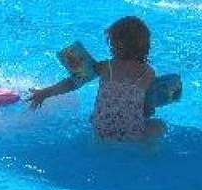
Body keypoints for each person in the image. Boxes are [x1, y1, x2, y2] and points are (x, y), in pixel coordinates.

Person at [27, 16, 165, 142]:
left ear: (115, 45)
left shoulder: (105, 67)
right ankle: (148, 149)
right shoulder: (148, 73)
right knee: (159, 125)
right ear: (145, 46)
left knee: (96, 117)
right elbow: (146, 107)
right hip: (130, 134)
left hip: (100, 130)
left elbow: (73, 82)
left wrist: (44, 92)